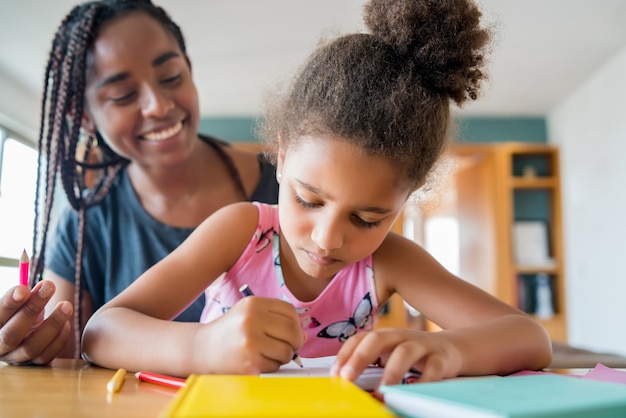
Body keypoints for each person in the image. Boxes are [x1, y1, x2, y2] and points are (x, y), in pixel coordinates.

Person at [82, 0, 552, 391]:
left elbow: (530, 338)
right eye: (309, 200)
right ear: (282, 157)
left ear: (405, 199)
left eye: (367, 219)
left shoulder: (389, 261)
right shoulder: (241, 230)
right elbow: (101, 333)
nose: (328, 240)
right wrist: (201, 346)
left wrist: (451, 348)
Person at [0, 0, 279, 364]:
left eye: (171, 77)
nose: (158, 105)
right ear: (85, 117)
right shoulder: (86, 222)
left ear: (189, 70)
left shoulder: (290, 188)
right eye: (123, 95)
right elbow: (64, 355)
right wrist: (29, 345)